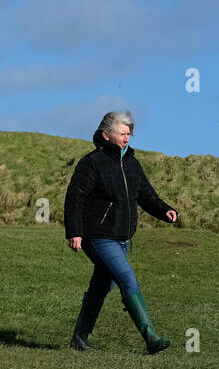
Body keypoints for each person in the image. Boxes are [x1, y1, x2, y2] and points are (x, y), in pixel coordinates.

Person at [64, 110, 178, 354]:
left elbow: (146, 195)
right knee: (126, 278)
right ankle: (151, 339)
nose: (127, 138)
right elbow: (75, 197)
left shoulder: (132, 163)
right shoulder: (91, 163)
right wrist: (74, 232)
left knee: (100, 287)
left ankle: (79, 338)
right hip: (98, 236)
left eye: (129, 134)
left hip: (123, 239)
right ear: (106, 135)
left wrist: (165, 210)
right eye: (122, 133)